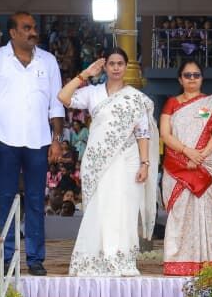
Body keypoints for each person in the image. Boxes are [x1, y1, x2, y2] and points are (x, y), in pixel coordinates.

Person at [0, 11, 64, 276]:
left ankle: (35, 258)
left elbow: (56, 105)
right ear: (13, 33)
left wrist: (57, 140)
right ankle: (7, 258)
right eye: (26, 28)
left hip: (39, 142)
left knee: (37, 200)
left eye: (34, 27)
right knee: (6, 199)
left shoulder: (48, 61)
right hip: (4, 141)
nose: (33, 32)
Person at [59, 48, 157, 277]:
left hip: (127, 159)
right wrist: (84, 74)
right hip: (97, 159)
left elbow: (143, 132)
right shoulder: (92, 93)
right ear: (105, 67)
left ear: (125, 66)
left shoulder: (135, 98)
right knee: (100, 207)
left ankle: (121, 258)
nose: (115, 67)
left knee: (124, 207)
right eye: (111, 63)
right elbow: (63, 97)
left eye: (120, 63)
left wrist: (145, 164)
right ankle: (95, 259)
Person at [159, 60, 212, 276]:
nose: (192, 79)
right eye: (187, 75)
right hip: (178, 164)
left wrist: (201, 156)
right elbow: (165, 134)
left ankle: (205, 262)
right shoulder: (171, 103)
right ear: (180, 79)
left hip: (206, 164)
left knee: (207, 212)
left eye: (196, 75)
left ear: (202, 78)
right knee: (179, 212)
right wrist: (187, 151)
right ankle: (176, 260)